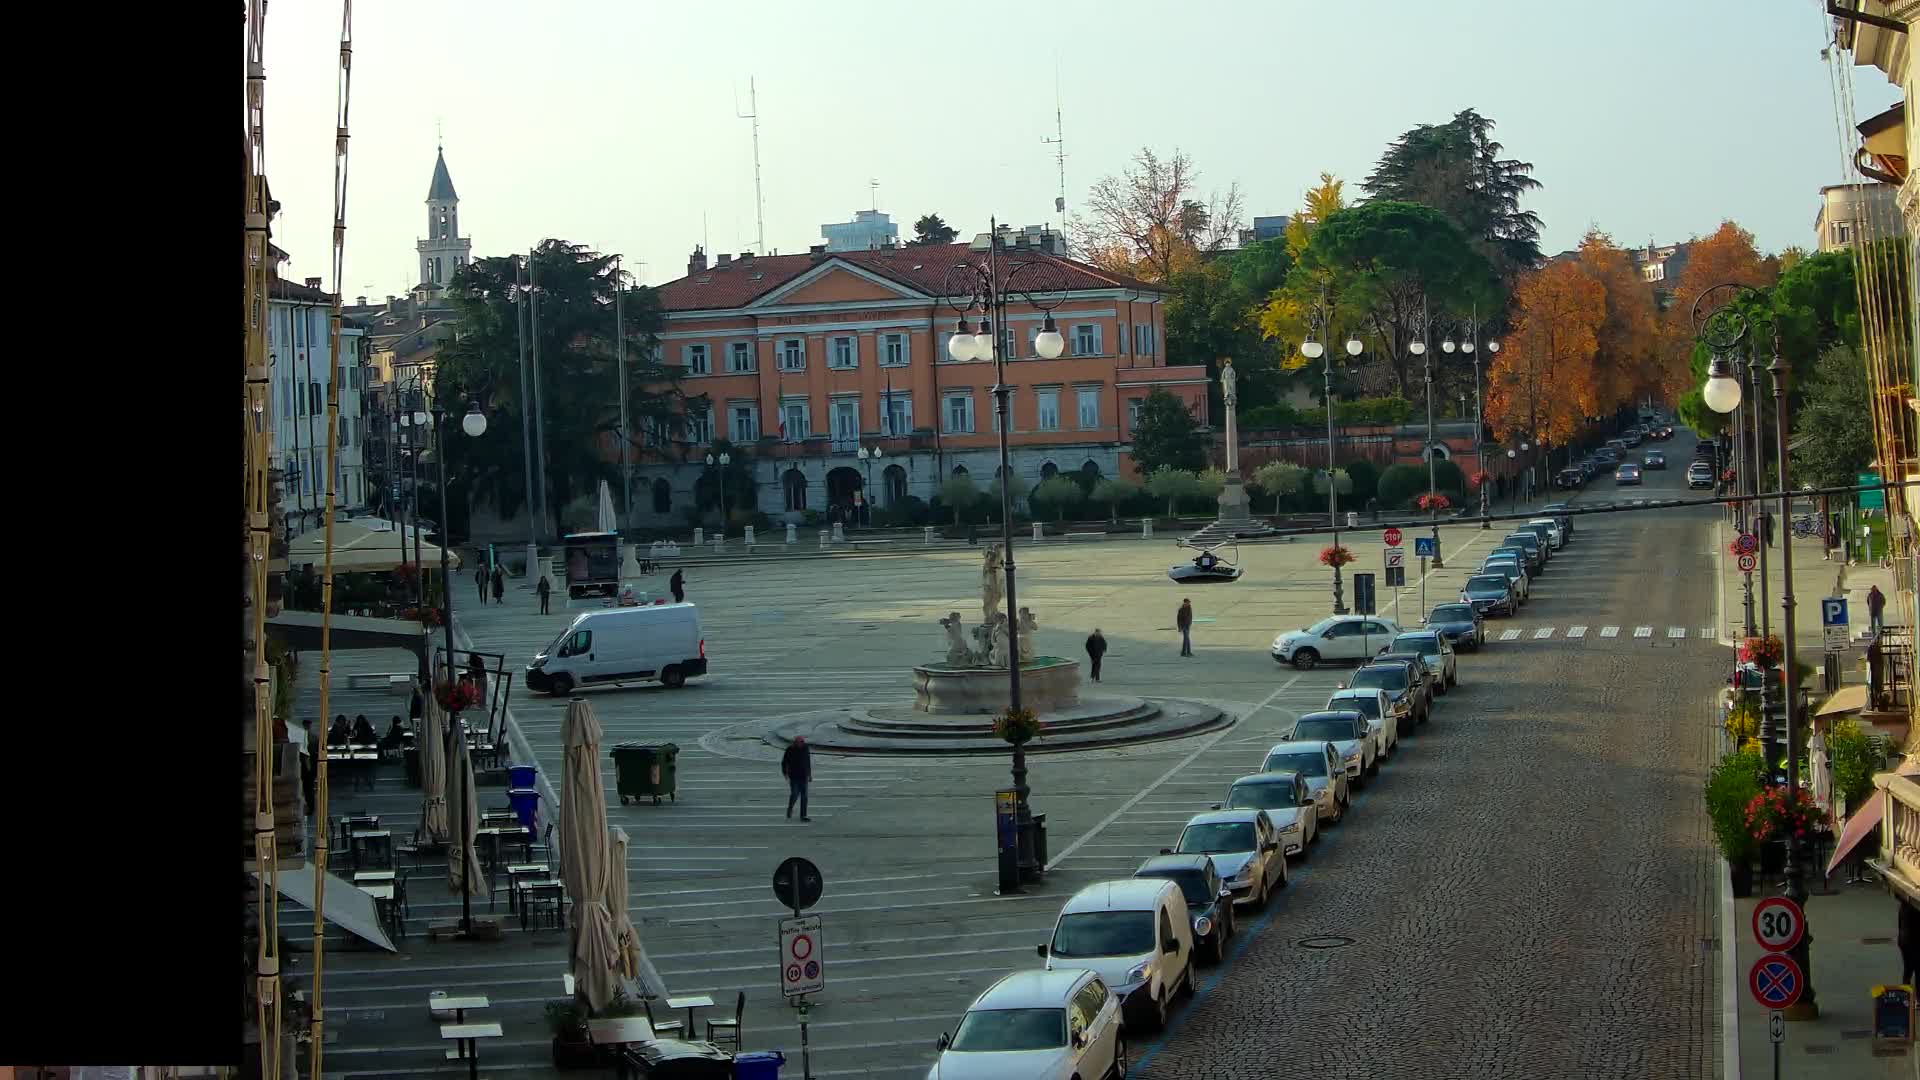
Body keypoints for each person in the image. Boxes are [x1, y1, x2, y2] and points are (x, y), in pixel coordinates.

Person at [781, 735, 812, 821]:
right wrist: (785, 774)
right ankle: (790, 808)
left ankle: (803, 815)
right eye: (800, 742)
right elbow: (784, 762)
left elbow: (807, 761)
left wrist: (809, 774)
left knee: (804, 796)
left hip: (804, 776)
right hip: (794, 776)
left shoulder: (806, 748)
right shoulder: (790, 749)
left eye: (802, 742)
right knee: (794, 794)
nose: (802, 743)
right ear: (795, 742)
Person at [1901, 898, 1919, 991]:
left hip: (1904, 940)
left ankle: (1905, 997)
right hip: (1911, 941)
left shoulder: (1905, 903)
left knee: (1908, 970)